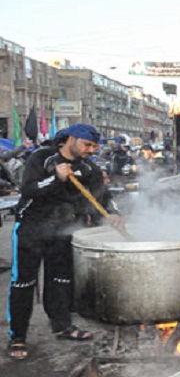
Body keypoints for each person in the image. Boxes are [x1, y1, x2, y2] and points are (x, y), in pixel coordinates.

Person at [7, 123, 121, 360]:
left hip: (65, 231)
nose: (91, 150)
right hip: (31, 229)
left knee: (60, 281)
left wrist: (112, 213)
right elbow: (28, 189)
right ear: (70, 139)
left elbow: (102, 198)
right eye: (87, 144)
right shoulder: (42, 158)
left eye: (94, 146)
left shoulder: (88, 168)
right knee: (23, 284)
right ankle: (17, 336)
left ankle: (62, 326)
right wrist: (56, 178)